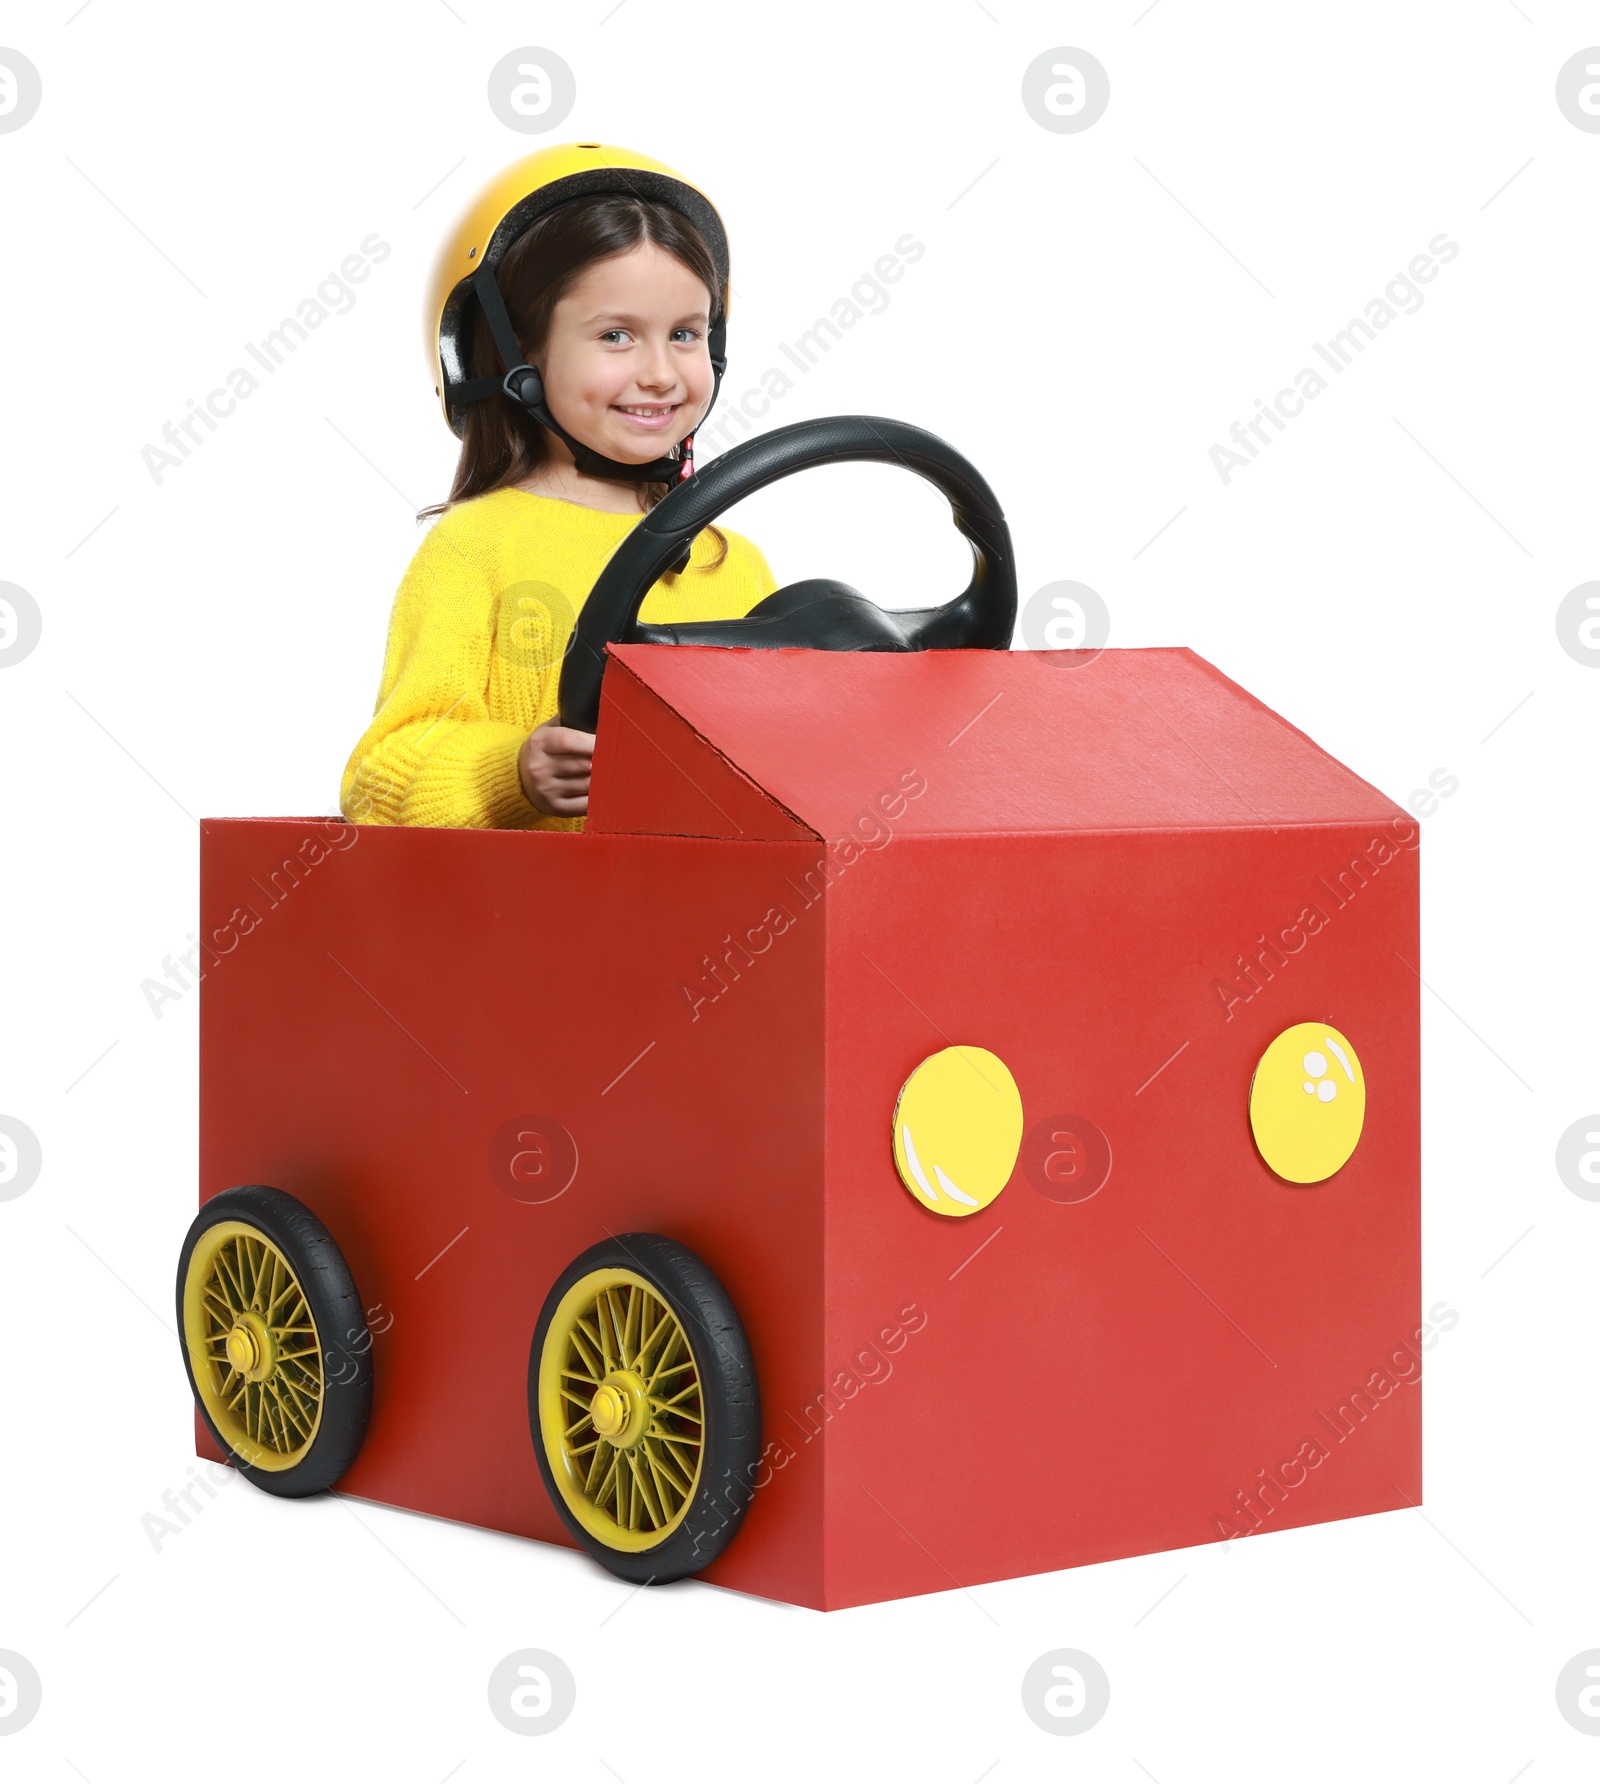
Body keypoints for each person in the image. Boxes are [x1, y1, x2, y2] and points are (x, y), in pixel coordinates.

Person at [339, 144, 777, 830]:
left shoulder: (738, 565)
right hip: (529, 925)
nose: (662, 373)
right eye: (616, 335)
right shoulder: (476, 547)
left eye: (686, 333)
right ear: (518, 353)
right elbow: (380, 774)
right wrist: (510, 770)